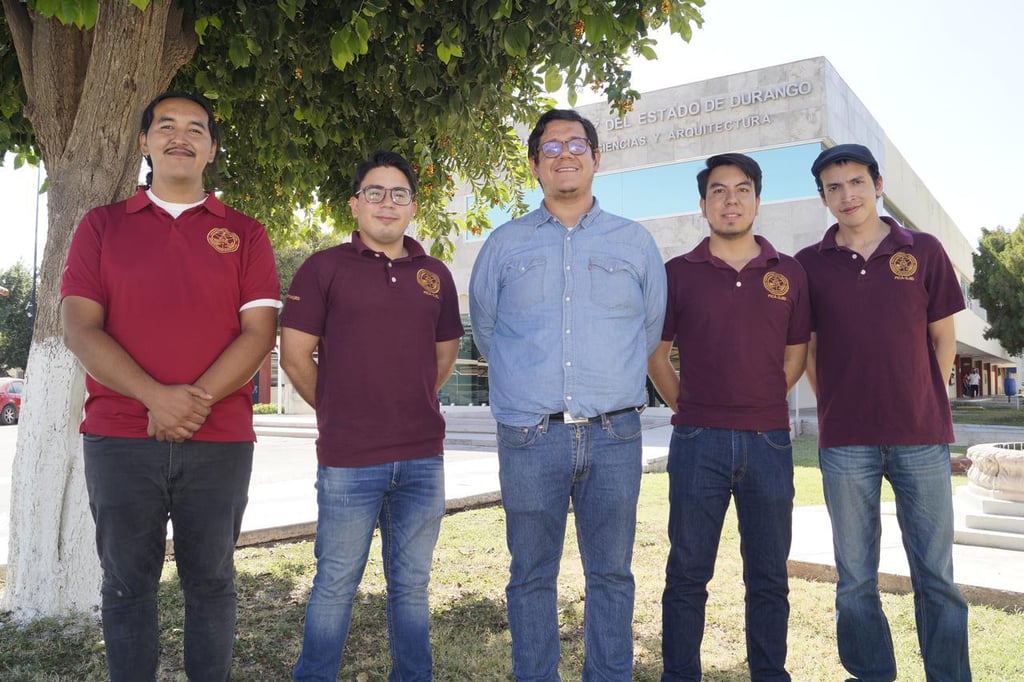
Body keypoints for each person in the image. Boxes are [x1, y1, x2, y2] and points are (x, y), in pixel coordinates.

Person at [60, 91, 281, 681]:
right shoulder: (101, 227)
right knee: (128, 585)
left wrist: (190, 403)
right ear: (145, 142)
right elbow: (80, 328)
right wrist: (155, 397)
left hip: (221, 440)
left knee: (211, 582)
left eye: (195, 128)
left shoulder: (246, 234)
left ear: (211, 147)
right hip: (119, 438)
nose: (180, 136)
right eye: (166, 126)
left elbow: (258, 334)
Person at [469, 108, 667, 680]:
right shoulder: (504, 244)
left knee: (612, 573)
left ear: (597, 158)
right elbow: (487, 331)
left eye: (576, 144)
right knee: (531, 573)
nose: (564, 154)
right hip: (530, 436)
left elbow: (648, 331)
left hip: (614, 433)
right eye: (550, 147)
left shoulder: (634, 242)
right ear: (534, 165)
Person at [282, 151, 463, 681]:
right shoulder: (323, 268)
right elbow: (295, 354)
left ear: (413, 206)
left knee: (412, 585)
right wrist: (343, 410)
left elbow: (444, 356)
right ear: (355, 203)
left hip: (422, 459)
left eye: (400, 193)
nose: (388, 203)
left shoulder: (436, 275)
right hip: (349, 459)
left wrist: (403, 402)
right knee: (335, 582)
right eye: (376, 192)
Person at [795, 144, 971, 681]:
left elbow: (943, 341)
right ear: (824, 198)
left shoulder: (924, 250)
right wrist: (840, 403)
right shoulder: (808, 265)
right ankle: (871, 674)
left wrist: (918, 395)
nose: (846, 195)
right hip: (846, 441)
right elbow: (811, 352)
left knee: (936, 574)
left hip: (921, 435)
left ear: (878, 183)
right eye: (834, 187)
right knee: (853, 577)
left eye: (855, 182)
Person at [648, 153, 810, 682]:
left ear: (757, 200)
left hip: (769, 442)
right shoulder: (678, 273)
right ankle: (680, 674)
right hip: (698, 441)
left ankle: (769, 673)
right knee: (688, 573)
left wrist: (760, 398)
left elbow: (795, 356)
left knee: (768, 576)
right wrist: (688, 407)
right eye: (719, 191)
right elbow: (657, 354)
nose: (731, 200)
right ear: (703, 204)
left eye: (742, 190)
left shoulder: (789, 272)